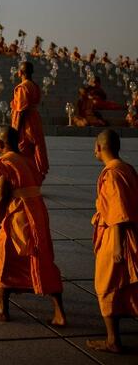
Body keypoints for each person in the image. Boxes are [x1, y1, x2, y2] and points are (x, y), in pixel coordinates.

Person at [0, 126, 66, 325]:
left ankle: (2, 308)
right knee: (41, 258)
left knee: (3, 256)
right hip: (37, 213)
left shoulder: (5, 162)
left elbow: (1, 196)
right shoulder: (29, 160)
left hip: (18, 214)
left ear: (0, 144)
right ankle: (59, 311)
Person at [87, 130, 138, 354]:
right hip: (131, 232)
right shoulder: (126, 168)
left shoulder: (112, 174)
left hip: (117, 235)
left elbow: (118, 212)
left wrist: (117, 246)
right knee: (124, 284)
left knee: (106, 285)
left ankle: (112, 340)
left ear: (99, 148)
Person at [11, 61, 49, 181]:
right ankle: (34, 177)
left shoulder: (23, 87)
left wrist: (16, 130)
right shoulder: (34, 85)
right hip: (34, 120)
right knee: (33, 149)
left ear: (20, 72)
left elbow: (21, 110)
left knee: (23, 149)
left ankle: (26, 179)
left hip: (26, 123)